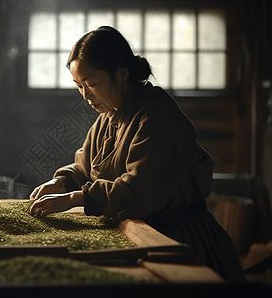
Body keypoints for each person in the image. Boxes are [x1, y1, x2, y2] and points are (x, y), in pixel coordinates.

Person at [29, 26, 245, 282]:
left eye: (92, 84)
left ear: (121, 74)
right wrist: (60, 182)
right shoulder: (108, 115)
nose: (86, 96)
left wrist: (75, 198)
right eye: (79, 86)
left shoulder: (156, 114)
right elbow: (85, 167)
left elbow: (141, 190)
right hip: (136, 233)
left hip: (178, 239)